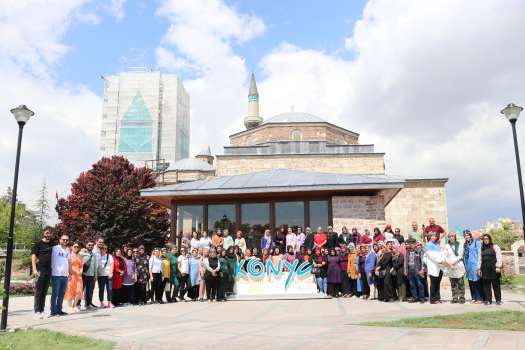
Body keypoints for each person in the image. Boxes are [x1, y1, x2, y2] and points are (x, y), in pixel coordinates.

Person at [31, 226, 53, 319]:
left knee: (44, 291)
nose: (48, 234)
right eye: (47, 233)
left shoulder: (53, 244)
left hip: (49, 270)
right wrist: (34, 269)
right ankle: (37, 311)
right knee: (39, 291)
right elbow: (33, 257)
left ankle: (42, 310)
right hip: (40, 270)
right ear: (44, 233)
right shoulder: (38, 243)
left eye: (50, 233)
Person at [478, 234, 502, 305]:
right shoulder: (481, 248)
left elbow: (499, 257)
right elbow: (479, 259)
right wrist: (478, 268)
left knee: (496, 285)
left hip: (494, 268)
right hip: (484, 268)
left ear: (490, 239)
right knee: (486, 286)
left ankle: (498, 300)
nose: (485, 240)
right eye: (484, 239)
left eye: (487, 238)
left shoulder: (495, 247)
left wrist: (498, 267)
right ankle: (488, 300)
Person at [50, 234, 70, 317]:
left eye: (66, 240)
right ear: (60, 240)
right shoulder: (55, 248)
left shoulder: (68, 250)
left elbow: (68, 262)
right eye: (63, 239)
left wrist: (69, 273)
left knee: (62, 294)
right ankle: (53, 311)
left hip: (65, 275)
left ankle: (59, 310)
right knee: (55, 294)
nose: (65, 241)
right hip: (56, 274)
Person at [443, 232, 465, 304]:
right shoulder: (447, 246)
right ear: (448, 238)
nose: (451, 238)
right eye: (450, 236)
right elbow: (445, 255)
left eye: (452, 236)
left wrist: (453, 262)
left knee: (460, 282)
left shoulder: (459, 245)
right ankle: (455, 297)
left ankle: (461, 297)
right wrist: (449, 263)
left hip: (458, 265)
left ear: (455, 237)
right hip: (450, 266)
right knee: (453, 283)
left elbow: (460, 255)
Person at [463, 230, 484, 303]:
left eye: (467, 235)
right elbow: (465, 256)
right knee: (471, 283)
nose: (466, 236)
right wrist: (465, 268)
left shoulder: (476, 243)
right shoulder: (465, 244)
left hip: (475, 265)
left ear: (470, 235)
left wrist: (478, 266)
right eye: (465, 235)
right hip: (468, 266)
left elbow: (479, 255)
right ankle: (473, 298)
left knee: (477, 282)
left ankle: (479, 298)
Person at [425, 232, 445, 304]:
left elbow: (441, 254)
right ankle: (432, 299)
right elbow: (430, 256)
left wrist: (442, 261)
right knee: (433, 283)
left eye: (435, 236)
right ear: (430, 237)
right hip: (433, 266)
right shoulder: (428, 245)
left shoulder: (437, 244)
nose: (434, 237)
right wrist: (439, 261)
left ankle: (437, 297)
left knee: (438, 283)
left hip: (439, 267)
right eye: (432, 236)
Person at [404, 238, 425, 303]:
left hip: (417, 270)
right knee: (412, 285)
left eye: (412, 243)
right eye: (410, 243)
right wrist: (405, 270)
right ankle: (414, 297)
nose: (411, 244)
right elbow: (405, 262)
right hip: (410, 270)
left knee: (420, 284)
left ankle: (421, 298)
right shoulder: (408, 251)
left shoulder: (419, 250)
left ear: (415, 243)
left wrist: (422, 269)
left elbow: (422, 261)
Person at [64, 241, 83, 313]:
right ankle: (69, 306)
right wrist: (69, 272)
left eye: (77, 247)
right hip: (71, 273)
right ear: (71, 247)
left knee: (79, 290)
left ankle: (74, 305)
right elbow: (67, 264)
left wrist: (81, 271)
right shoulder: (69, 255)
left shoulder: (80, 256)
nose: (76, 248)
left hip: (78, 275)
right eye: (75, 246)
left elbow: (81, 266)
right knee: (70, 289)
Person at [79, 240, 97, 310]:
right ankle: (78, 304)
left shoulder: (94, 255)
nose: (90, 246)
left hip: (92, 275)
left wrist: (95, 276)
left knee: (90, 291)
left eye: (92, 245)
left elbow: (95, 266)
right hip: (84, 274)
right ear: (86, 245)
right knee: (81, 290)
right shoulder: (82, 253)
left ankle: (88, 304)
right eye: (89, 245)